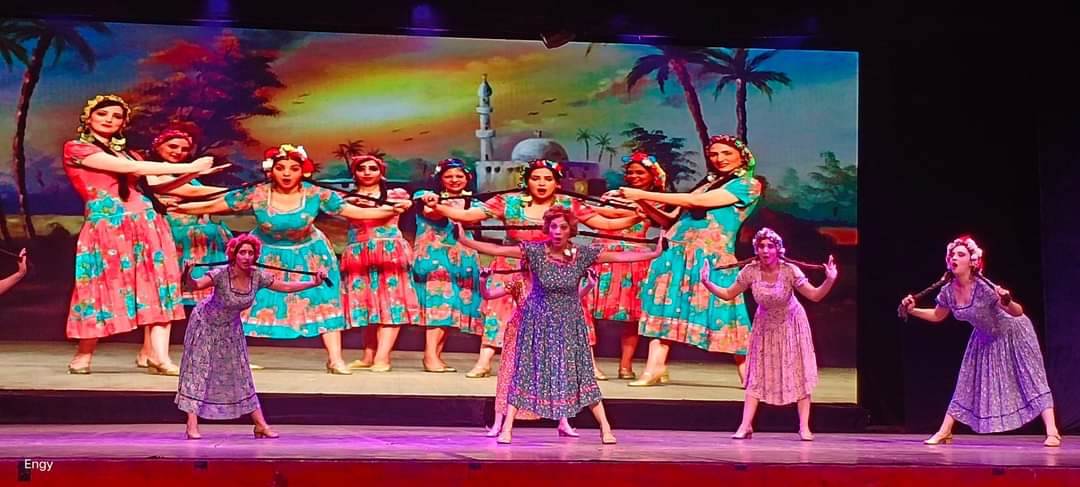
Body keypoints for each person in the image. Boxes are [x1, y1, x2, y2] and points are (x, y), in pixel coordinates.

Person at [173, 144, 405, 374]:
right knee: (242, 299)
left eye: (293, 168)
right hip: (266, 253)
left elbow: (359, 213)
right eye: (280, 168)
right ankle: (233, 358)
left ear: (303, 171)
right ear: (270, 170)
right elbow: (215, 204)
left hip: (310, 253)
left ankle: (335, 359)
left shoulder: (316, 193)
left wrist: (393, 210)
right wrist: (178, 208)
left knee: (324, 299)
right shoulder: (258, 192)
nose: (286, 174)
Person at [458, 206, 663, 445]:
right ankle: (507, 429)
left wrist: (655, 252)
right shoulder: (535, 252)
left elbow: (619, 257)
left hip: (569, 322)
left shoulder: (582, 255)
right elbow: (496, 249)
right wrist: (464, 239)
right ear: (547, 229)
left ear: (571, 230)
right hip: (536, 321)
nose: (557, 231)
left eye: (563, 227)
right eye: (553, 226)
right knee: (524, 373)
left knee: (581, 374)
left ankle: (605, 428)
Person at [422, 159, 638, 379]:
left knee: (573, 311)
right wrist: (437, 206)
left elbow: (606, 224)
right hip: (513, 262)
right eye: (536, 178)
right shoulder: (509, 201)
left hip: (555, 264)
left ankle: (588, 364)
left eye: (548, 179)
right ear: (526, 181)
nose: (542, 183)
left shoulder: (568, 203)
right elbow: (468, 215)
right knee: (501, 310)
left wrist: (638, 216)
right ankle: (484, 362)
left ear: (557, 183)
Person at [63, 94, 214, 375]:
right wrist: (189, 167)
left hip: (147, 222)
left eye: (116, 116)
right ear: (88, 118)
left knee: (159, 285)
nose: (109, 119)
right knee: (98, 288)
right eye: (103, 114)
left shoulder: (130, 154)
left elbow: (156, 186)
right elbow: (130, 169)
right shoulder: (77, 148)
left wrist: (202, 179)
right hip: (108, 227)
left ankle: (160, 358)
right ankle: (84, 354)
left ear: (123, 123)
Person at [618, 134, 762, 387]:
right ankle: (653, 370)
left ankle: (750, 375)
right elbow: (669, 220)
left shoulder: (748, 185)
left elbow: (695, 202)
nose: (719, 158)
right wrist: (642, 201)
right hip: (676, 254)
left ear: (742, 156)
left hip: (710, 257)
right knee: (663, 309)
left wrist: (641, 192)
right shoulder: (707, 184)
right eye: (714, 154)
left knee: (726, 314)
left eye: (726, 153)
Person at [899, 236, 1060, 447]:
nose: (954, 258)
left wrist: (1007, 301)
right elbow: (938, 316)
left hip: (1014, 332)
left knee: (1031, 378)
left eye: (960, 254)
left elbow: (1018, 312)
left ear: (972, 261)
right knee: (965, 383)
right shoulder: (948, 291)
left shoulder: (983, 288)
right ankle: (944, 431)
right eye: (952, 254)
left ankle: (1052, 431)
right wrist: (912, 311)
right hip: (984, 337)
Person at [177, 234, 327, 440]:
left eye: (250, 253)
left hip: (231, 329)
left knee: (241, 375)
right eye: (242, 252)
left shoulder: (257, 276)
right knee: (199, 371)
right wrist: (187, 272)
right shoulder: (221, 274)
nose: (247, 257)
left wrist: (313, 283)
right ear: (234, 254)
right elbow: (193, 285)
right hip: (205, 325)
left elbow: (284, 287)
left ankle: (260, 425)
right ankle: (191, 425)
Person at [700, 228, 837, 441]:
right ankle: (745, 425)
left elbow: (815, 295)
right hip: (764, 327)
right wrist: (707, 282)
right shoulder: (751, 271)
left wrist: (829, 280)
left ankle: (804, 427)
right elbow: (728, 294)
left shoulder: (789, 271)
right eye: (761, 246)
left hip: (792, 325)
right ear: (756, 250)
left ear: (778, 249)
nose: (765, 250)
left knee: (798, 373)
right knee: (756, 374)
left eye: (770, 246)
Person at [586, 151, 673, 380]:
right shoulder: (611, 194)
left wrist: (595, 209)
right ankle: (589, 364)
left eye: (640, 172)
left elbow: (620, 213)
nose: (634, 176)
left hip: (634, 258)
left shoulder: (655, 199)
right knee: (587, 310)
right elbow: (600, 215)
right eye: (631, 172)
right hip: (603, 254)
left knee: (634, 316)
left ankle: (626, 365)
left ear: (652, 175)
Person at [483, 265, 597, 438]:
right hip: (519, 331)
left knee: (556, 375)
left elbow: (570, 299)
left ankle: (563, 422)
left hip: (547, 331)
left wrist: (589, 285)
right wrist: (483, 281)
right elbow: (488, 295)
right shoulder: (518, 281)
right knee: (509, 373)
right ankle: (498, 423)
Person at [340, 154, 420, 372]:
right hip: (359, 253)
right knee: (366, 304)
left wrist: (405, 204)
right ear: (354, 173)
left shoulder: (395, 195)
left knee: (391, 304)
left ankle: (382, 357)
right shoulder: (346, 199)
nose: (367, 172)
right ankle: (368, 355)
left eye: (372, 168)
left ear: (381, 173)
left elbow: (409, 204)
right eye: (362, 168)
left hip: (389, 252)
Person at [411, 158, 483, 372]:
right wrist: (436, 203)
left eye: (459, 176)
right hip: (436, 259)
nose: (454, 180)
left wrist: (458, 208)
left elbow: (472, 220)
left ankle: (436, 356)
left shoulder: (473, 202)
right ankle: (430, 356)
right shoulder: (425, 196)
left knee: (453, 308)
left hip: (462, 258)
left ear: (467, 179)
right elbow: (432, 214)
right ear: (440, 179)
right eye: (448, 176)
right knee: (439, 306)